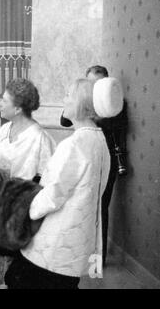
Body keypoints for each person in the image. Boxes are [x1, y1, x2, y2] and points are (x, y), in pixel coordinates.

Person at [5, 78, 114, 289]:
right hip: (77, 241)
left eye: (68, 96)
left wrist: (26, 210)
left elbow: (52, 195)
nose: (64, 100)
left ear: (81, 105)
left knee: (16, 279)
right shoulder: (100, 141)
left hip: (54, 244)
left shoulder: (73, 145)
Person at [0, 78, 56, 289]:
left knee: (12, 272)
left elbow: (46, 184)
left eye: (4, 100)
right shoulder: (4, 130)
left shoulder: (40, 139)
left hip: (20, 214)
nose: (0, 103)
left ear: (17, 108)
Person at [60, 65, 128, 264]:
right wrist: (77, 102)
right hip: (85, 160)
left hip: (106, 162)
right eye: (90, 84)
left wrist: (94, 109)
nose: (93, 89)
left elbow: (117, 128)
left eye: (97, 84)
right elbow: (64, 122)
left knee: (101, 208)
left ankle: (98, 261)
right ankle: (81, 257)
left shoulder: (116, 104)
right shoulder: (83, 103)